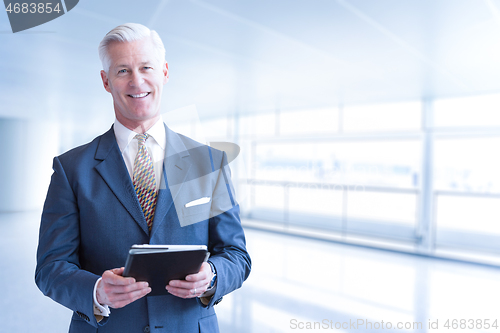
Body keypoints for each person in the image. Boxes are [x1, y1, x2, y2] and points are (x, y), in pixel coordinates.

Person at [35, 23, 251, 333]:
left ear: (164, 71)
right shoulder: (72, 169)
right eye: (122, 70)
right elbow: (50, 268)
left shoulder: (208, 163)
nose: (137, 81)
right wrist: (96, 290)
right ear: (106, 81)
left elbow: (237, 255)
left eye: (146, 67)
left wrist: (212, 276)